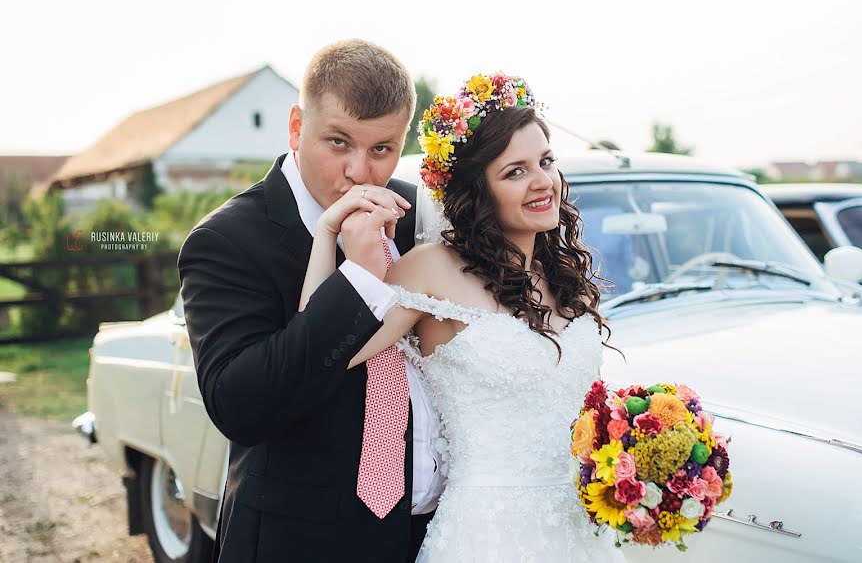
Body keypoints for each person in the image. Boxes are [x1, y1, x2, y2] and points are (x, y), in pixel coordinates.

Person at [301, 73, 625, 561]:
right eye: (515, 172)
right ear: (478, 191)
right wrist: (327, 234)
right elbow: (321, 350)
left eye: (545, 162)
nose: (542, 182)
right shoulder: (431, 270)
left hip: (582, 527)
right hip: (488, 533)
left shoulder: (563, 275)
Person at [178, 39, 443, 563]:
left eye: (382, 149)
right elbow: (241, 406)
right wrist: (359, 283)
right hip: (300, 542)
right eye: (339, 143)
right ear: (297, 126)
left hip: (429, 533)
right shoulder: (226, 240)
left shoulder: (417, 214)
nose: (359, 172)